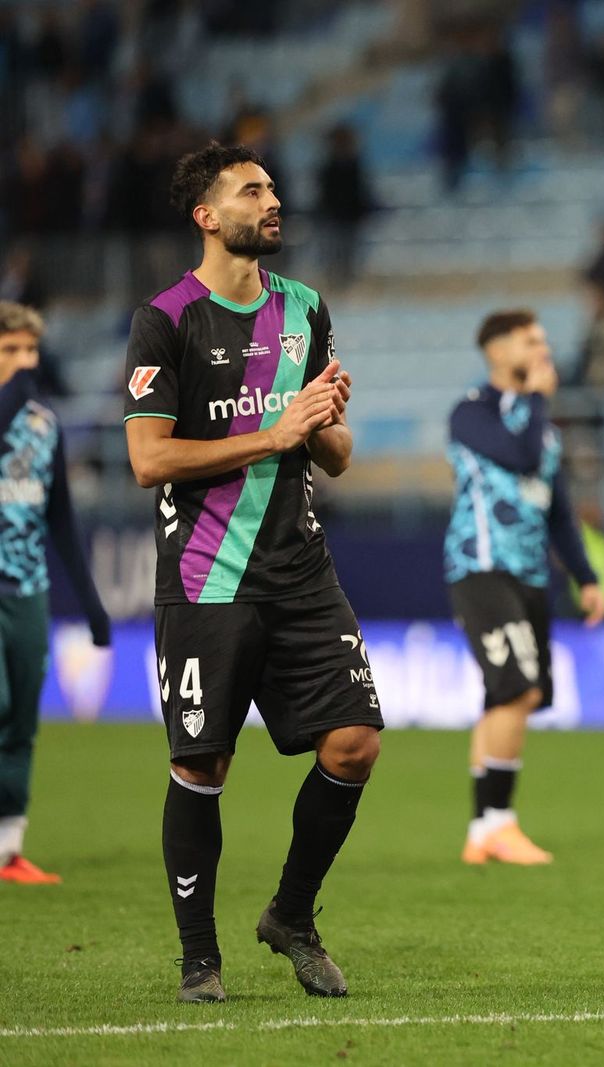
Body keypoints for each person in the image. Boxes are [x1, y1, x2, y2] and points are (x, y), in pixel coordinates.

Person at [123, 143, 383, 1004]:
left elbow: (335, 455)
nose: (271, 199)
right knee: (203, 768)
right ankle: (199, 957)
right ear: (207, 216)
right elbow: (149, 459)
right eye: (250, 190)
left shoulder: (305, 308)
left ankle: (292, 916)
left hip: (302, 571)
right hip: (207, 577)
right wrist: (274, 433)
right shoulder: (166, 320)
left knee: (355, 743)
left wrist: (323, 422)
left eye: (272, 185)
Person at [446, 309, 604, 865]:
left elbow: (558, 508)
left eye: (544, 339)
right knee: (519, 690)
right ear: (496, 349)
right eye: (530, 341)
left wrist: (585, 576)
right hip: (482, 566)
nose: (543, 349)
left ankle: (478, 831)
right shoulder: (471, 412)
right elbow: (522, 456)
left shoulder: (541, 423)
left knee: (501, 697)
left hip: (532, 574)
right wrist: (538, 399)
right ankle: (499, 822)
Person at [0, 302, 111, 885]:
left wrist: (92, 604)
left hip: (28, 588)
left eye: (30, 351)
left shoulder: (44, 424)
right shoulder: (16, 410)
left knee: (20, 718)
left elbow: (62, 520)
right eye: (10, 351)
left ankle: (8, 851)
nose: (24, 363)